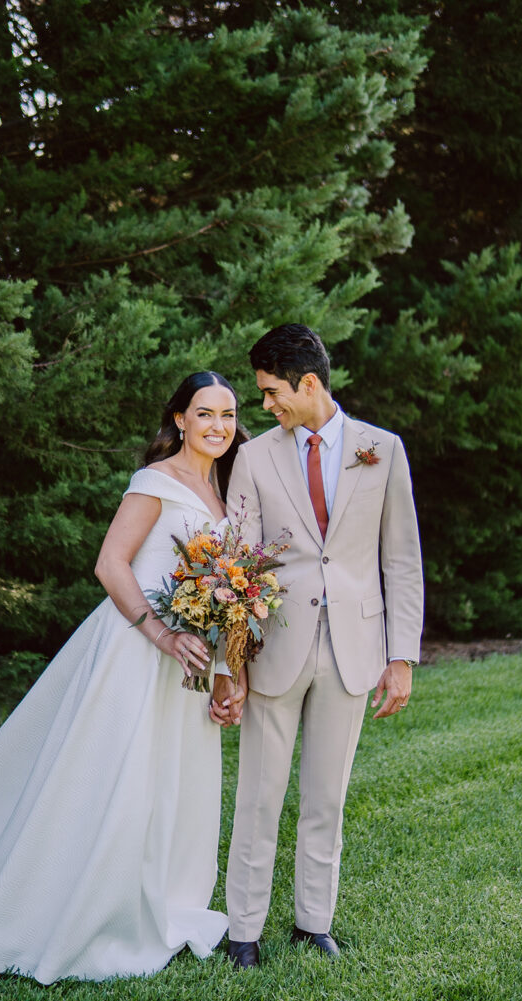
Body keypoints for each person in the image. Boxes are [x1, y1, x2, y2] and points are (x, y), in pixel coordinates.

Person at [0, 371, 248, 984]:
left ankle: (160, 900)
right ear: (179, 421)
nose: (217, 426)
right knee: (113, 781)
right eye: (204, 413)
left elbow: (229, 599)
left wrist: (226, 672)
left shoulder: (225, 494)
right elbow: (110, 563)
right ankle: (82, 909)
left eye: (227, 414)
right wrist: (161, 634)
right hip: (136, 651)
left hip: (189, 667)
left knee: (170, 785)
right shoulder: (156, 482)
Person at [212, 325, 423, 968]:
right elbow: (235, 563)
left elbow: (402, 560)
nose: (267, 405)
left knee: (326, 795)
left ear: (309, 383)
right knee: (258, 795)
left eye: (273, 393)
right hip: (276, 643)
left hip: (355, 646)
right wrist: (231, 661)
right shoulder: (255, 458)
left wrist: (401, 655)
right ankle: (243, 930)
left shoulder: (381, 450)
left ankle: (314, 923)